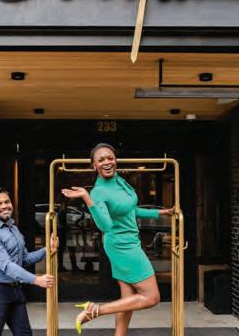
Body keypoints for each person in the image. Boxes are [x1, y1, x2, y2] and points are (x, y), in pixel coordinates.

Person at [62, 144, 173, 336]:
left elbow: (130, 210)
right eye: (101, 160)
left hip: (130, 241)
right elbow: (105, 225)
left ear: (115, 160)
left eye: (110, 158)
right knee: (152, 297)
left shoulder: (119, 181)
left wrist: (160, 213)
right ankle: (94, 310)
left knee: (127, 299)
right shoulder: (98, 192)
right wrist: (87, 198)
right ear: (94, 165)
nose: (107, 162)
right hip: (121, 246)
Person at [0, 187, 58, 336]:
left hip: (15, 291)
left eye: (7, 202)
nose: (4, 206)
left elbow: (24, 259)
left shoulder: (13, 228)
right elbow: (7, 266)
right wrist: (36, 279)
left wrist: (48, 249)